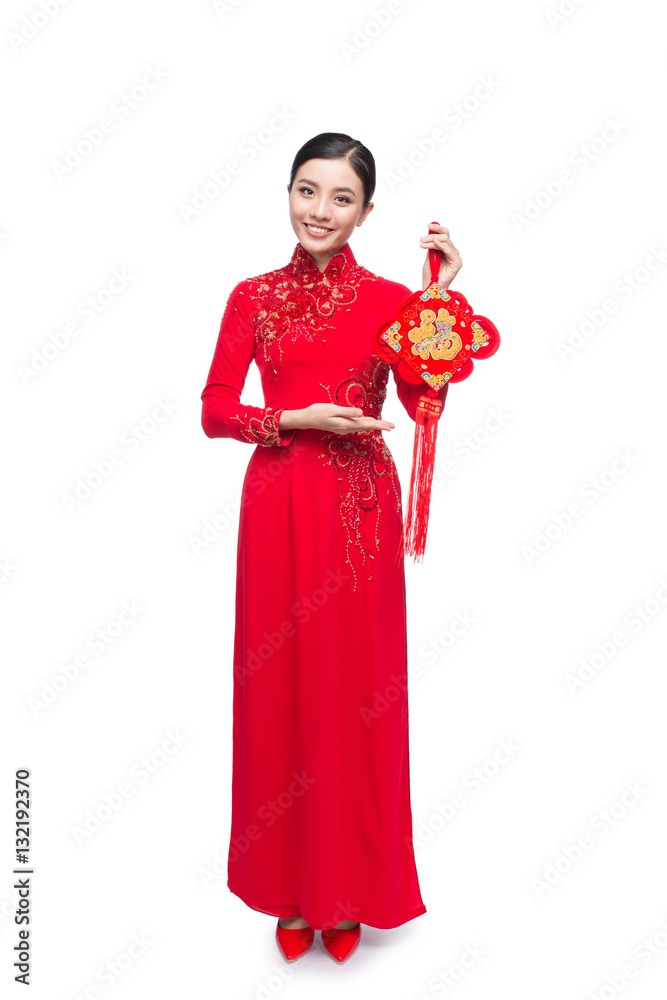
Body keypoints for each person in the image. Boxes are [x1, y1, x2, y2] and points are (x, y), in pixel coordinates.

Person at [200, 132, 462, 965]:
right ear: (286, 193)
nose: (319, 211)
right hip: (278, 501)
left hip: (356, 510)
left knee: (353, 695)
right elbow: (213, 408)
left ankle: (345, 892)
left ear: (366, 212)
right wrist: (291, 420)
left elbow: (424, 399)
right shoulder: (251, 296)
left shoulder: (391, 301)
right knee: (280, 689)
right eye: (306, 192)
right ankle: (289, 891)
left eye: (340, 198)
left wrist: (441, 297)